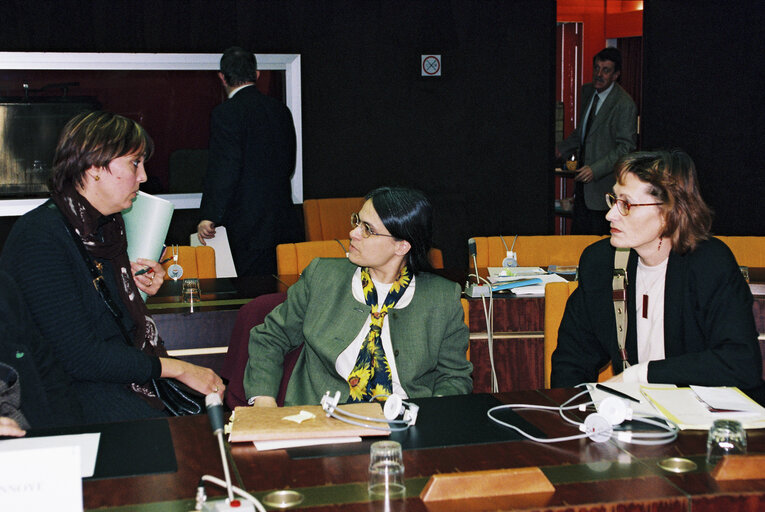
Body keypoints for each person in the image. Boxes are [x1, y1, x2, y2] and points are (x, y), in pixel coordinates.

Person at [0, 111, 225, 424]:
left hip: (111, 382)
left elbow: (105, 318)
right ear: (94, 168)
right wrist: (180, 368)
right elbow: (81, 357)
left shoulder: (105, 231)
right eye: (135, 163)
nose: (143, 176)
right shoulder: (41, 237)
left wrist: (132, 286)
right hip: (68, 396)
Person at [551, 150, 764, 402]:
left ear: (668, 213)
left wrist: (641, 375)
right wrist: (577, 417)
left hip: (707, 422)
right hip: (635, 423)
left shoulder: (710, 263)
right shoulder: (600, 263)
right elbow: (571, 361)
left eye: (626, 204)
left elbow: (740, 364)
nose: (610, 215)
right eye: (614, 199)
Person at [244, 187, 472, 407]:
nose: (353, 233)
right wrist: (264, 400)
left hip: (406, 422)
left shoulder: (442, 298)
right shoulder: (322, 277)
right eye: (357, 221)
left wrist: (437, 413)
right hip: (324, 420)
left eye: (368, 229)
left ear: (401, 246)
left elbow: (454, 375)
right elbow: (270, 337)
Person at [197, 46, 301, 276]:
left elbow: (225, 168)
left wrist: (210, 214)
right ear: (257, 74)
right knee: (282, 293)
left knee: (248, 294)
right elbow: (289, 165)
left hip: (246, 226)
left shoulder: (226, 113)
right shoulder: (280, 110)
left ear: (222, 77)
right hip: (282, 219)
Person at [557, 47, 638, 235]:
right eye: (597, 68)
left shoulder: (624, 104)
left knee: (597, 244)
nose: (599, 74)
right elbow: (583, 133)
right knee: (577, 241)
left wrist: (596, 169)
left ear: (616, 75)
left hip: (603, 190)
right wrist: (560, 149)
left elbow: (626, 147)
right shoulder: (587, 92)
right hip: (582, 189)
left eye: (606, 70)